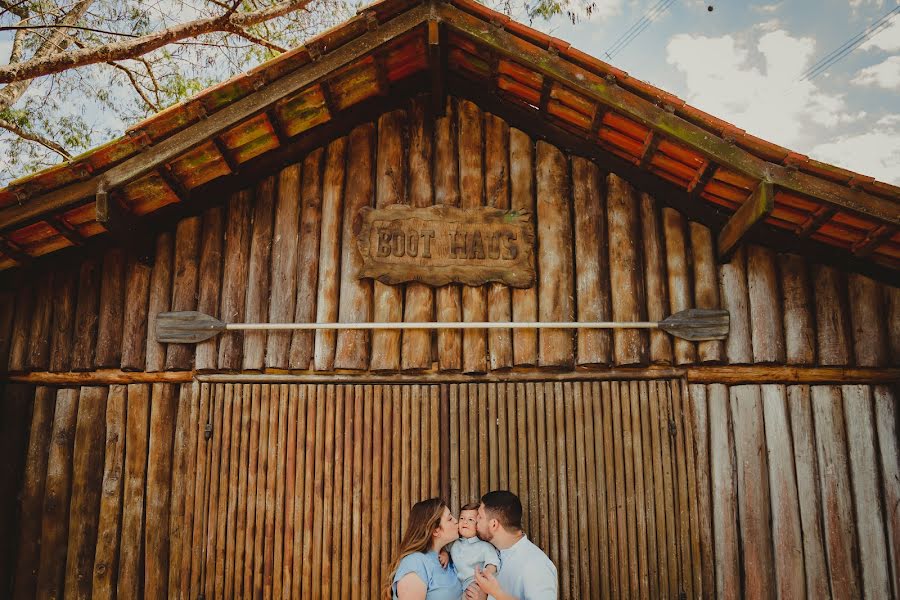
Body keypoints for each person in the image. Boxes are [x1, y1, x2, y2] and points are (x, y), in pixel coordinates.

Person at [465, 490, 557, 600]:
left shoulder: (536, 565)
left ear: (494, 524)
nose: (475, 521)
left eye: (480, 517)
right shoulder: (492, 552)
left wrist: (496, 594)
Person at [386, 498, 464, 600]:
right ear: (435, 531)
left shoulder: (452, 556)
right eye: (449, 519)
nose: (456, 521)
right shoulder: (415, 563)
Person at [446, 502, 501, 590]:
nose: (465, 522)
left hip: (476, 584)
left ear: (478, 525)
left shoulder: (485, 546)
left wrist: (487, 573)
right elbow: (443, 548)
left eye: (471, 519)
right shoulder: (454, 543)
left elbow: (493, 562)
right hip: (458, 586)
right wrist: (444, 554)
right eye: (462, 518)